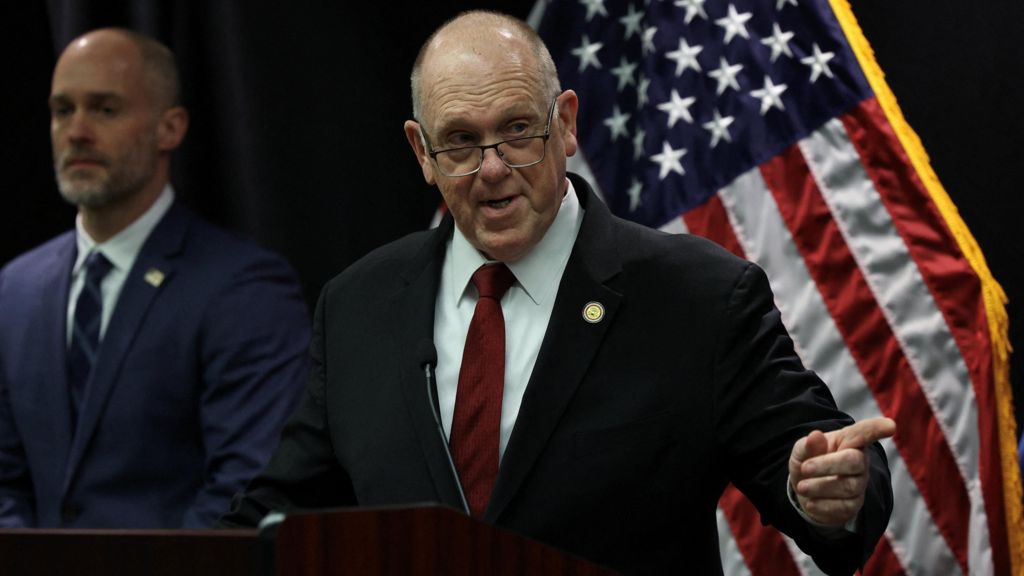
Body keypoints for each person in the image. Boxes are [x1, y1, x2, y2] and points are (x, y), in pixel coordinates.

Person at [222, 11, 894, 575]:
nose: (493, 169)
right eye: (460, 142)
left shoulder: (700, 297)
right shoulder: (358, 306)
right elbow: (277, 518)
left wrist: (830, 494)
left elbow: (814, 459)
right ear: (422, 152)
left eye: (518, 129)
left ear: (566, 122)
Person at [0, 28, 310, 529]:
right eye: (62, 110)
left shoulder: (244, 289)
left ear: (170, 127)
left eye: (105, 109)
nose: (77, 131)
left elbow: (246, 488)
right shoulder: (15, 290)